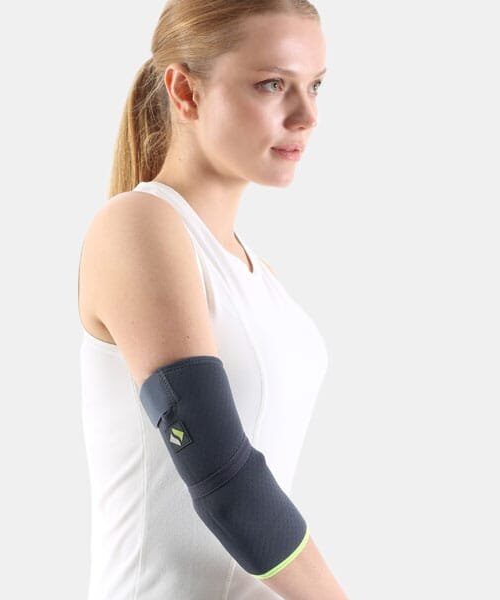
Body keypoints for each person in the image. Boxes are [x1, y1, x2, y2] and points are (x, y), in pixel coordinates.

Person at [78, 1, 349, 598]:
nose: (306, 116)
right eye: (272, 84)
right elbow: (225, 479)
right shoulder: (137, 226)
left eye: (315, 86)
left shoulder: (260, 278)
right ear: (186, 91)